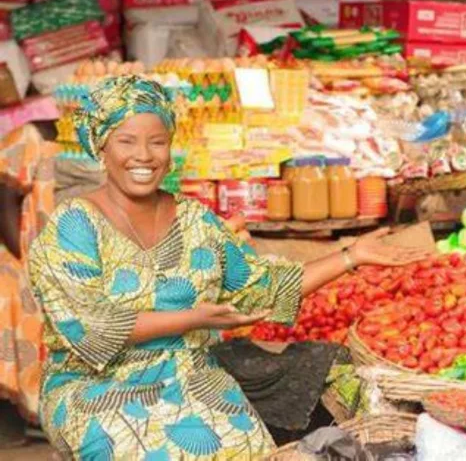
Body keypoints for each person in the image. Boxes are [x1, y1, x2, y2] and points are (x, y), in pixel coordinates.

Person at [28, 75, 430, 460]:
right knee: (134, 447)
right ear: (101, 147)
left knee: (245, 445)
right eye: (126, 141)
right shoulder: (74, 226)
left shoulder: (195, 221)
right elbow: (89, 329)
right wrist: (189, 318)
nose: (144, 156)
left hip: (187, 375)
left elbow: (262, 289)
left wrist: (350, 256)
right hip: (95, 385)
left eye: (157, 141)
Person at [0, 124, 58, 438]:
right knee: (15, 294)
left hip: (52, 256)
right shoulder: (31, 138)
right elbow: (5, 201)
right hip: (19, 250)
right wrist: (25, 262)